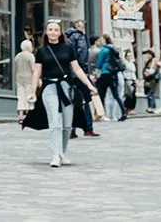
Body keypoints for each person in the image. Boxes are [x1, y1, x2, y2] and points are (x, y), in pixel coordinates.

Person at [31, 20, 100, 168]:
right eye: (50, 29)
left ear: (60, 33)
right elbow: (37, 72)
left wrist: (89, 85)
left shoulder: (68, 49)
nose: (53, 32)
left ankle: (62, 152)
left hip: (67, 87)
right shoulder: (41, 51)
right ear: (46, 32)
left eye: (56, 30)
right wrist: (32, 92)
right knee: (55, 122)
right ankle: (55, 155)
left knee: (67, 125)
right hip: (49, 87)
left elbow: (77, 69)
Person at [65, 20, 96, 138]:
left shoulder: (68, 37)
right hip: (79, 72)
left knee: (72, 100)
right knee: (86, 100)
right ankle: (88, 128)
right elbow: (82, 55)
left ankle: (71, 129)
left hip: (69, 72)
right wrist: (84, 72)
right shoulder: (80, 37)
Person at [92, 35, 125, 121]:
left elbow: (99, 63)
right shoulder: (114, 49)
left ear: (105, 40)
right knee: (116, 95)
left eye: (102, 39)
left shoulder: (104, 50)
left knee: (101, 94)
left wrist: (96, 74)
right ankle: (123, 112)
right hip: (114, 73)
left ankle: (101, 114)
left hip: (105, 73)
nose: (101, 41)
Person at [13, 39, 36, 118]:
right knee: (29, 95)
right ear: (28, 47)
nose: (32, 48)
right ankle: (29, 116)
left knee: (21, 96)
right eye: (31, 46)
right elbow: (33, 69)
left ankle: (20, 116)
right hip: (29, 78)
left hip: (19, 78)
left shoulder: (17, 56)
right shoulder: (30, 56)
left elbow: (15, 69)